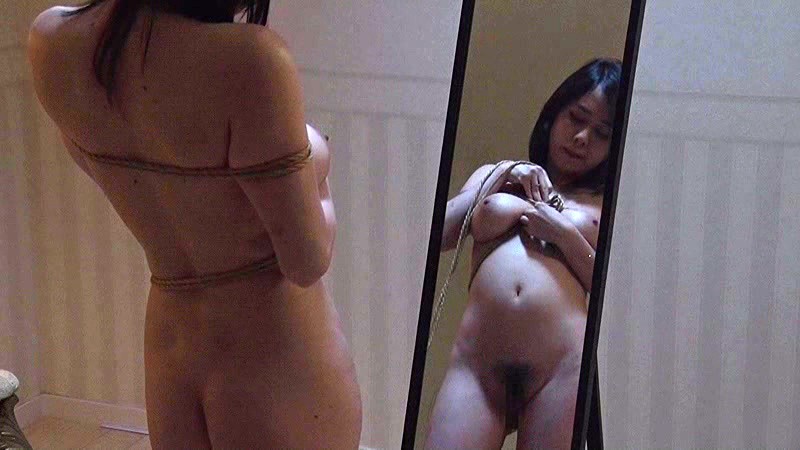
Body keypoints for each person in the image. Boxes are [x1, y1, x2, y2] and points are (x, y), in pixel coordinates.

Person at [27, 1, 362, 448]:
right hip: (275, 353)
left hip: (171, 349)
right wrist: (318, 174)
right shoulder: (250, 60)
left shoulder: (52, 42)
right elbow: (306, 261)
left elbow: (103, 171)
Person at [425, 58, 621, 450]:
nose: (582, 137)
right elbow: (438, 234)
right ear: (554, 114)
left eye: (601, 133)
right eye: (576, 118)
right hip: (476, 363)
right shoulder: (496, 174)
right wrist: (503, 173)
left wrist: (565, 235)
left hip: (562, 369)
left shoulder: (608, 204)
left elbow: (616, 297)